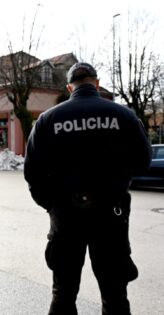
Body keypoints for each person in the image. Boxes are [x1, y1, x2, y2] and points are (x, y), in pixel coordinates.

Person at [24, 62, 152, 315]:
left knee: (63, 294)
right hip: (111, 216)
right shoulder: (123, 116)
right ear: (96, 83)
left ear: (70, 87)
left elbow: (32, 173)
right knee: (115, 293)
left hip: (66, 217)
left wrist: (52, 206)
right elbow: (143, 161)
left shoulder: (48, 120)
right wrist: (116, 179)